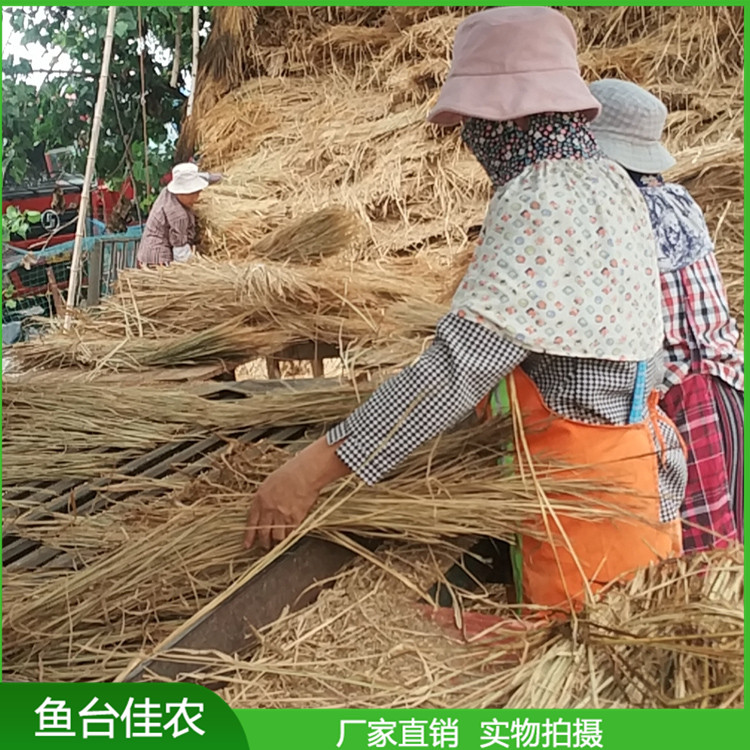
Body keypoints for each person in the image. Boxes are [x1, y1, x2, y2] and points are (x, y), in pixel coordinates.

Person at [244, 7, 687, 612]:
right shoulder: (608, 182)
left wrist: (308, 472)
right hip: (634, 476)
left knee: (575, 672)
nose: (470, 138)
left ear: (506, 115)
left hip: (586, 506)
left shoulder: (542, 196)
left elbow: (456, 371)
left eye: (473, 121)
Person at [590, 79, 744, 551]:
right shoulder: (681, 201)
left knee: (696, 564)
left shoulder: (615, 213)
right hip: (728, 391)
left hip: (680, 403)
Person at [135, 162, 221, 267]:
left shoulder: (167, 192)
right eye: (191, 194)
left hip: (145, 251)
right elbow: (180, 252)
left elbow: (202, 176)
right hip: (157, 259)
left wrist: (220, 177)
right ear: (180, 192)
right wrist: (198, 266)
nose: (196, 198)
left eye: (198, 192)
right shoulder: (178, 215)